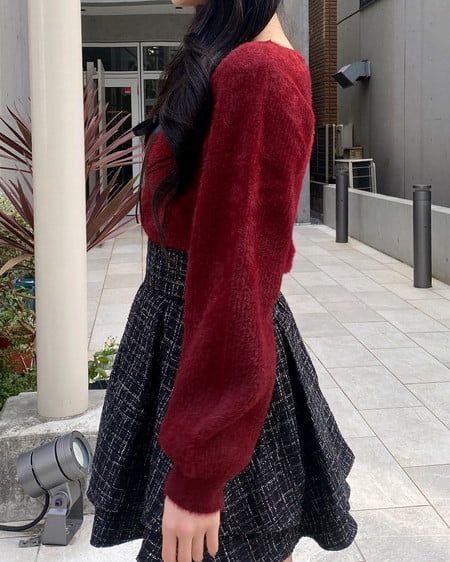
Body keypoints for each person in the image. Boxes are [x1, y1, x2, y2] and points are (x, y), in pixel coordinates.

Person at [87, 1, 358, 561]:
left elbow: (241, 272)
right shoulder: (233, 59)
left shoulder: (259, 71)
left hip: (212, 352)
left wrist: (201, 469)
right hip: (188, 339)